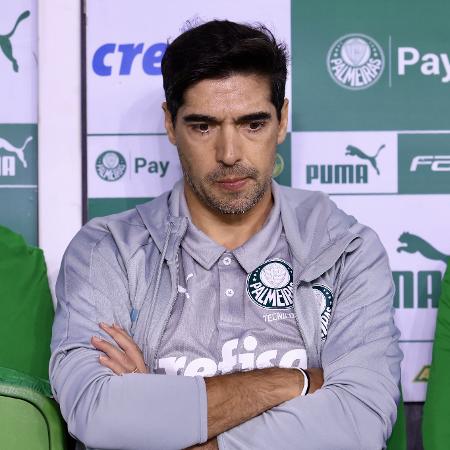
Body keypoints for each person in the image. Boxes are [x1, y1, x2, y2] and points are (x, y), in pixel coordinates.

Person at [49, 20, 402, 450]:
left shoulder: (348, 249)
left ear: (282, 119)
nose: (229, 154)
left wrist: (167, 423)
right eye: (203, 126)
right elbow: (98, 412)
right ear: (169, 123)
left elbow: (359, 422)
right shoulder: (107, 250)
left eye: (253, 124)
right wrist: (295, 382)